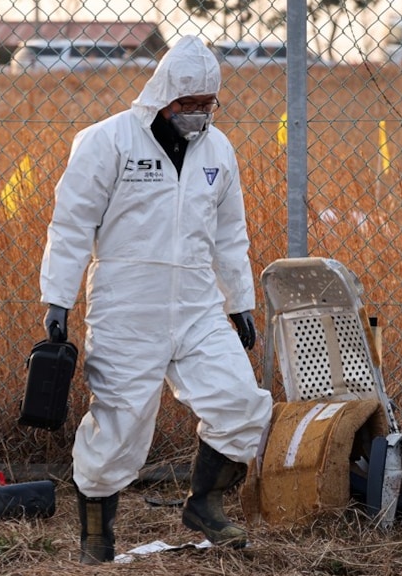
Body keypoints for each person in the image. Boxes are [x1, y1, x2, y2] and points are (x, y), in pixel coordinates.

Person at [38, 35, 273, 564]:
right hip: (126, 305)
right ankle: (96, 540)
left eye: (207, 104)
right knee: (118, 424)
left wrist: (240, 300)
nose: (198, 115)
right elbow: (72, 224)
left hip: (197, 303)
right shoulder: (108, 141)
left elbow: (230, 232)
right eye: (187, 104)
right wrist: (58, 298)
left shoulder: (219, 150)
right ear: (162, 95)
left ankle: (205, 504)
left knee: (242, 404)